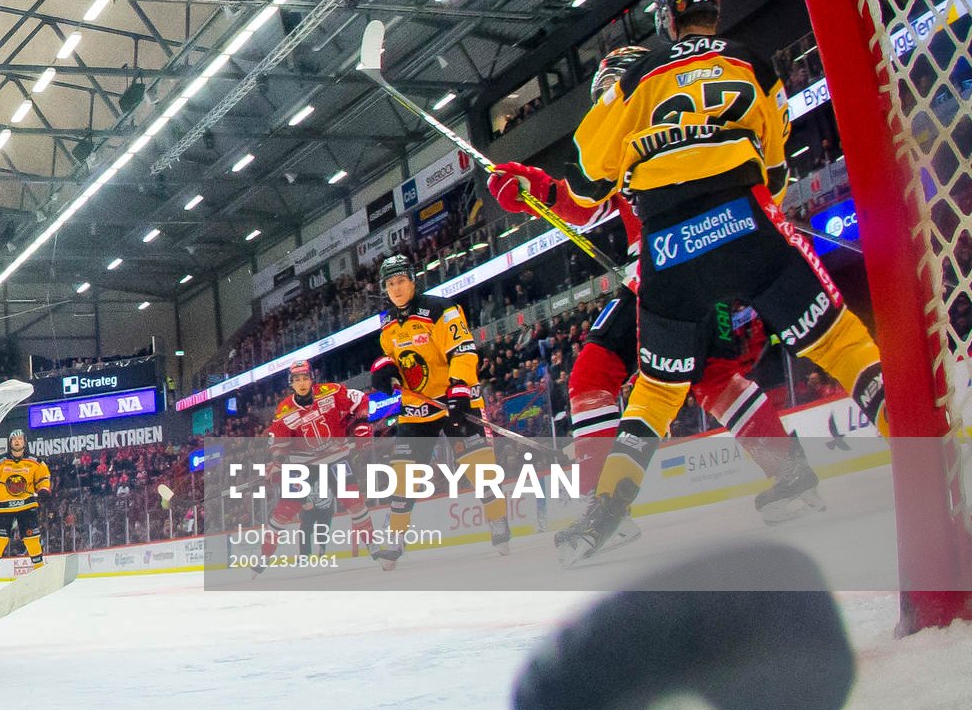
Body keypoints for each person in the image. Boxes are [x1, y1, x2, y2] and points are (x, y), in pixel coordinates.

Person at [535, 0, 886, 566]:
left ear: (666, 15)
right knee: (834, 343)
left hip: (670, 258)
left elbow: (588, 183)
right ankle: (918, 440)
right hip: (745, 224)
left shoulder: (635, 83)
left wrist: (535, 188)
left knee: (659, 387)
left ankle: (604, 511)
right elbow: (774, 172)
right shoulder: (750, 60)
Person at [488, 46, 824, 531]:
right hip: (712, 272)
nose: (606, 109)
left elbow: (585, 201)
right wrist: (530, 187)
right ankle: (792, 474)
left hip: (666, 272)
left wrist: (536, 188)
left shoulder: (641, 145)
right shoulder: (657, 142)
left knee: (593, 373)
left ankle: (605, 507)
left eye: (609, 95)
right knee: (715, 376)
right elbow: (587, 205)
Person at [370, 253, 510, 567]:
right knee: (403, 475)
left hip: (454, 399)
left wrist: (459, 389)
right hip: (417, 407)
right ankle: (394, 539)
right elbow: (396, 360)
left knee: (481, 471)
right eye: (390, 283)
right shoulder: (389, 325)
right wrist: (384, 370)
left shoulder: (440, 309)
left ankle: (498, 521)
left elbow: (462, 350)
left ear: (412, 280)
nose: (396, 288)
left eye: (401, 280)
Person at [262, 359, 375, 565]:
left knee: (354, 501)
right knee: (285, 509)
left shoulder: (331, 391)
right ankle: (263, 557)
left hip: (336, 456)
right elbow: (279, 441)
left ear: (312, 379)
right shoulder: (284, 409)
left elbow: (360, 400)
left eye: (305, 378)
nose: (302, 383)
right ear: (291, 383)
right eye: (297, 380)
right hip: (303, 463)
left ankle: (374, 546)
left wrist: (361, 423)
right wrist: (277, 462)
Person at [0, 428, 51, 587]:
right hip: (3, 507)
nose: (17, 441)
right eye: (14, 439)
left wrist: (44, 490)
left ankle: (40, 571)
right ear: (10, 442)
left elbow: (43, 479)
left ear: (25, 441)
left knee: (32, 539)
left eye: (20, 439)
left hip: (27, 505)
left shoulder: (36, 462)